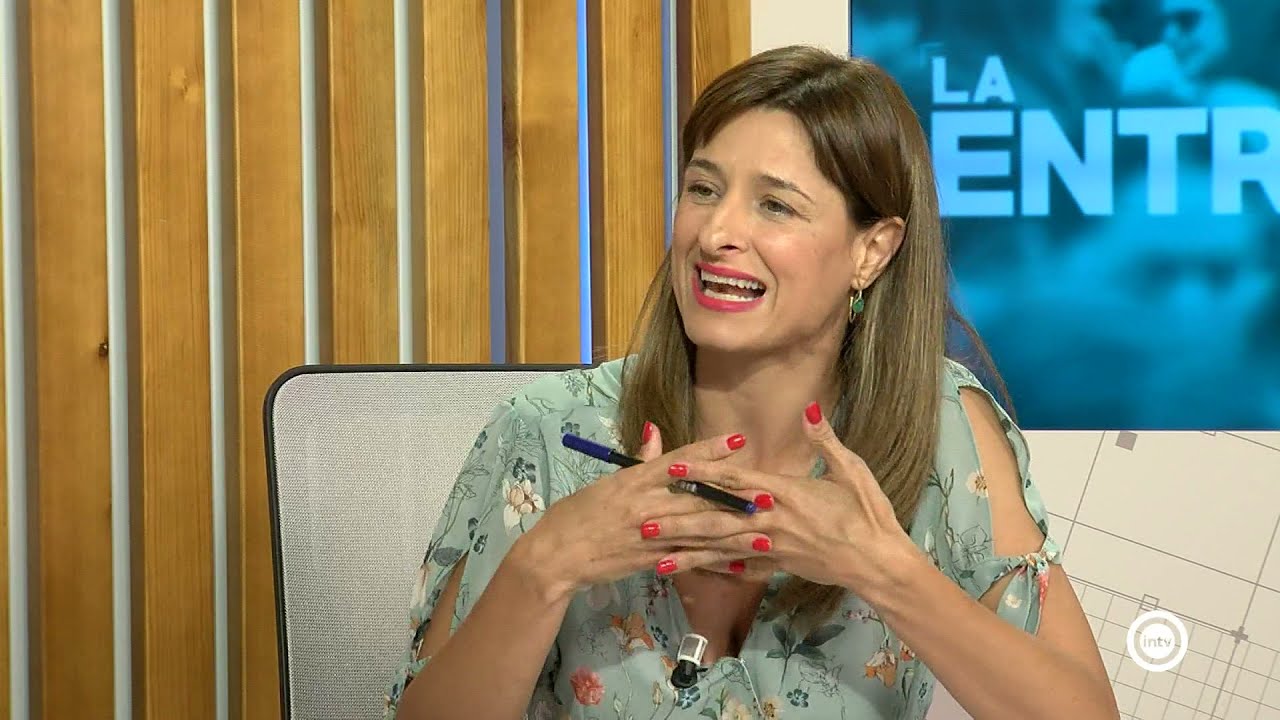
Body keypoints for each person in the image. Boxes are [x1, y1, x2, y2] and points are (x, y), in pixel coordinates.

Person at [383, 46, 1118, 720]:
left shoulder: (942, 428)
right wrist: (544, 568)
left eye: (775, 205)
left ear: (871, 251)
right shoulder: (551, 432)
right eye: (703, 189)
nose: (715, 234)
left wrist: (886, 572)